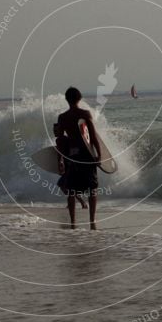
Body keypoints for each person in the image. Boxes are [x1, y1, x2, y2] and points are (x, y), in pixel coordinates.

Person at [57, 87, 100, 229]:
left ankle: (73, 223)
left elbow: (61, 142)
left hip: (71, 155)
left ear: (67, 100)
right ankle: (92, 222)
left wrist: (60, 160)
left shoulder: (62, 118)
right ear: (79, 98)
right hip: (86, 155)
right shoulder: (85, 114)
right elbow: (92, 137)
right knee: (92, 190)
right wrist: (99, 154)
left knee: (71, 191)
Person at [54, 122, 88, 210]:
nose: (54, 132)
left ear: (61, 131)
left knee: (63, 185)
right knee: (65, 185)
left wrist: (60, 163)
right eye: (53, 130)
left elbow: (60, 153)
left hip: (70, 166)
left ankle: (80, 202)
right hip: (71, 164)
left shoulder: (60, 140)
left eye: (56, 130)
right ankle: (74, 202)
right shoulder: (65, 139)